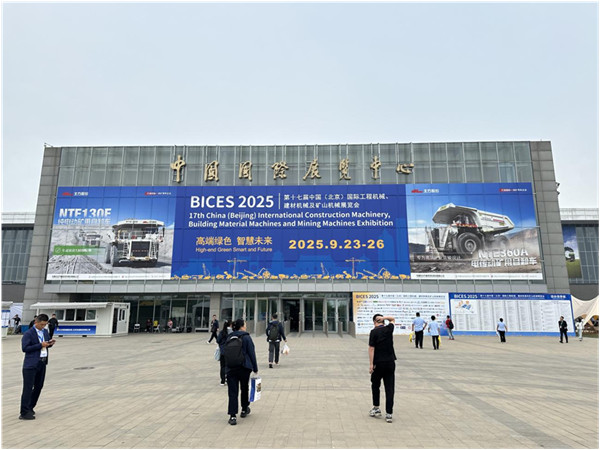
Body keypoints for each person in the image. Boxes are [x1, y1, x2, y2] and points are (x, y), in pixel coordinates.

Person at [20, 314, 56, 420]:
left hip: (42, 362)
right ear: (36, 322)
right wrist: (40, 345)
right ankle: (24, 412)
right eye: (41, 324)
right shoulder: (29, 333)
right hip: (31, 364)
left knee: (39, 386)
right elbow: (25, 348)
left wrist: (50, 343)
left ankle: (30, 406)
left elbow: (46, 343)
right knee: (28, 388)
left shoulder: (45, 332)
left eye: (45, 324)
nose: (43, 326)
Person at [224, 319, 258, 426]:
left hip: (231, 368)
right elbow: (251, 353)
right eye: (245, 325)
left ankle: (233, 416)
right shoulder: (246, 337)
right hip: (244, 367)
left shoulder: (229, 337)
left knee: (232, 392)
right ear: (242, 326)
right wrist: (255, 367)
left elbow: (225, 352)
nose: (246, 326)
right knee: (244, 388)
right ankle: (244, 409)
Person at [368, 314, 396, 424]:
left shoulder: (373, 332)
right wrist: (384, 318)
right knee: (389, 388)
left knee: (375, 385)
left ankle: (376, 407)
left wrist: (371, 364)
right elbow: (392, 319)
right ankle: (389, 413)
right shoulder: (389, 329)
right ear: (383, 321)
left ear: (374, 322)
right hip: (390, 362)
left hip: (378, 363)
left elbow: (371, 348)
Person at [216, 320, 232, 385]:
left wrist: (221, 345)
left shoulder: (222, 332)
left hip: (223, 352)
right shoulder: (232, 332)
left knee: (222, 366)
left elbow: (218, 340)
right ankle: (228, 379)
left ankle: (222, 381)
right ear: (230, 325)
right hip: (230, 351)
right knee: (229, 366)